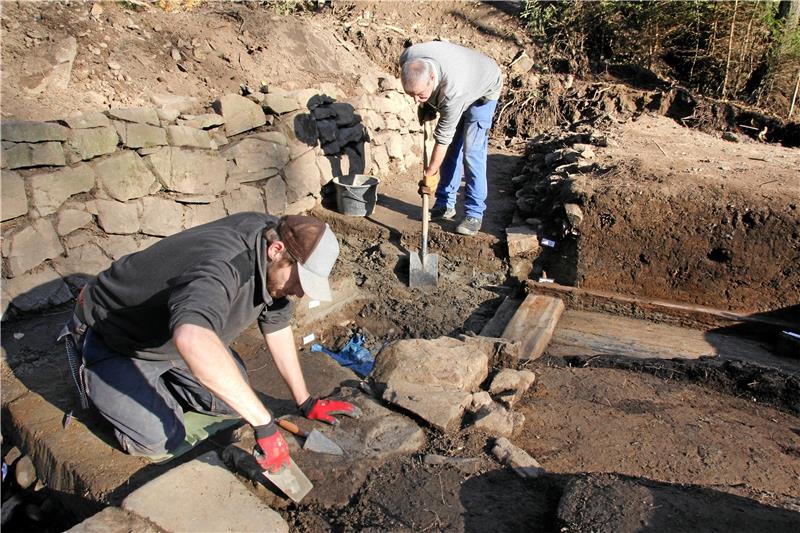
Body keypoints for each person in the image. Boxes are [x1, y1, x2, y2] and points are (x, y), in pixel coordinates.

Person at [59, 212, 359, 473]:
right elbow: (192, 337)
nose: (300, 292)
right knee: (161, 439)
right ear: (277, 250)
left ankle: (167, 383)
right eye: (299, 280)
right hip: (117, 338)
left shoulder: (273, 242)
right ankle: (97, 376)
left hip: (170, 334)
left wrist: (304, 401)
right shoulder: (223, 266)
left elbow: (276, 323)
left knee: (233, 401)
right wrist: (264, 425)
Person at [400, 41, 503, 236]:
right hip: (462, 80)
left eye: (419, 94)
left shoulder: (453, 91)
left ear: (432, 78)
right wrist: (427, 104)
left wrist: (430, 174)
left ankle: (474, 213)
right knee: (452, 151)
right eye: (411, 94)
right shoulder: (408, 57)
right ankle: (445, 204)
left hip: (484, 91)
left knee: (471, 152)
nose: (415, 99)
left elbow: (442, 140)